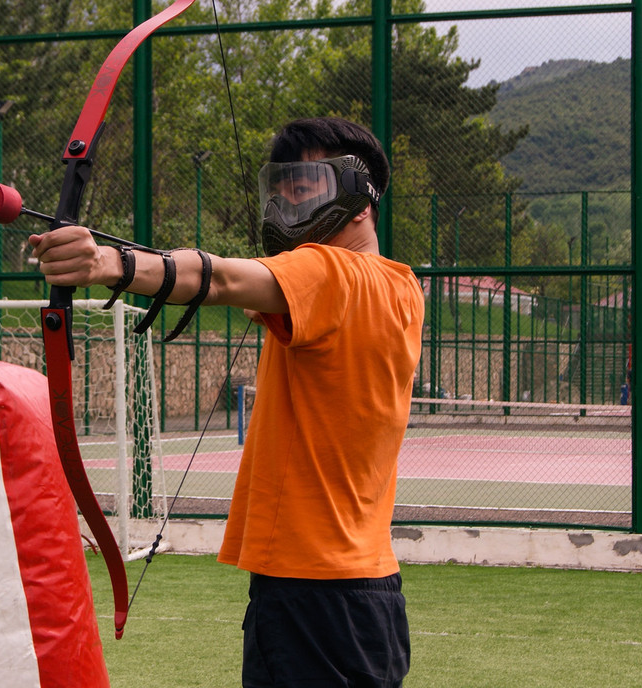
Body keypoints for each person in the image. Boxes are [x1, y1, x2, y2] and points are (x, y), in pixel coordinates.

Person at [28, 116, 424, 687]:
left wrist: (105, 264)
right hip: (362, 591)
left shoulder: (332, 271)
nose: (287, 201)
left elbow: (220, 280)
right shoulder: (400, 286)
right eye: (280, 188)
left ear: (359, 197)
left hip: (315, 593)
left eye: (305, 185)